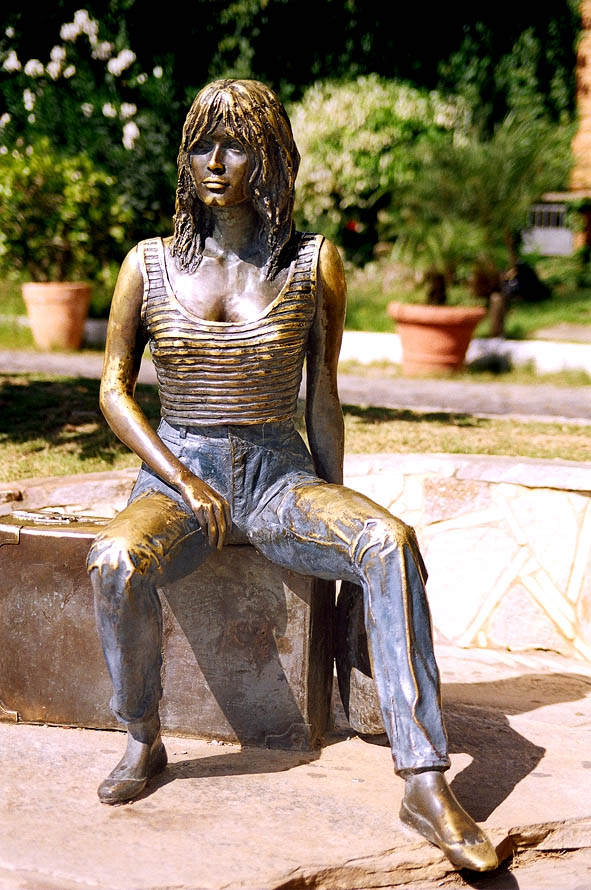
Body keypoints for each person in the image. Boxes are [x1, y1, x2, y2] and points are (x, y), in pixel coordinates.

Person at [87, 78, 498, 873]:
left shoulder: (315, 264)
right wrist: (181, 477)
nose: (214, 162)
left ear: (268, 157)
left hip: (278, 477)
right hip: (180, 480)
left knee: (390, 541)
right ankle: (142, 736)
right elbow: (112, 388)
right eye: (201, 143)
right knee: (112, 559)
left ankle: (423, 779)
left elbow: (324, 400)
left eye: (235, 144)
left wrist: (339, 523)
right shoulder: (146, 264)